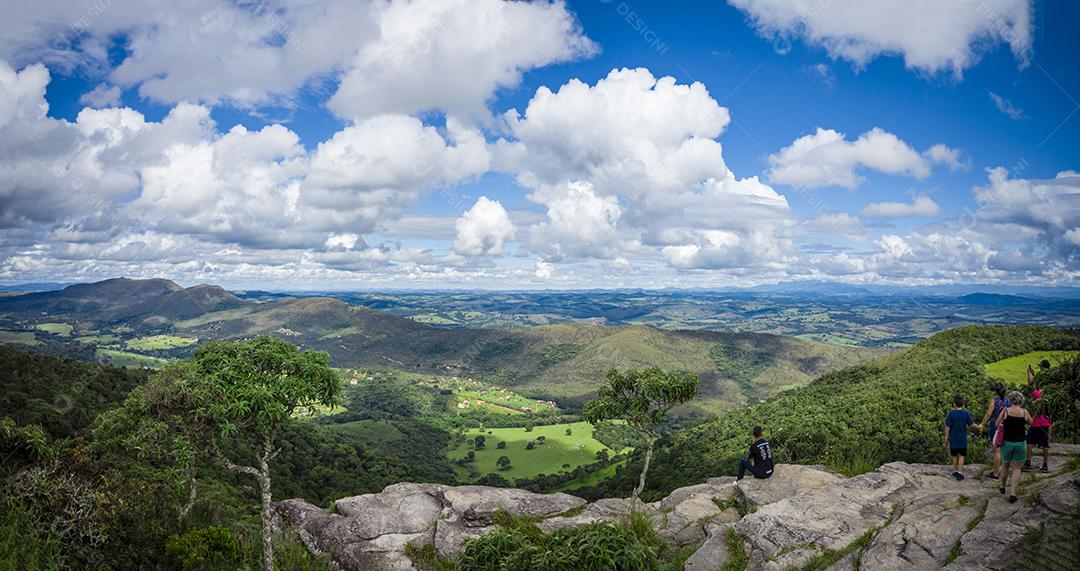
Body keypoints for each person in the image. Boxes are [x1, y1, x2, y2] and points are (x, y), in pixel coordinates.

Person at [998, 391, 1032, 504]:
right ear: (1021, 401)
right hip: (1021, 443)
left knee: (1005, 465)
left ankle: (1002, 486)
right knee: (1017, 468)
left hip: (1007, 442)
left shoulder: (1005, 411)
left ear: (1010, 400)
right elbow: (1032, 423)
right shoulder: (1024, 412)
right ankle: (1013, 493)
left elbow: (997, 424)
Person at [944, 394, 981, 480]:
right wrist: (979, 427)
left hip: (953, 438)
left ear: (954, 404)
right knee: (961, 455)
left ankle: (954, 471)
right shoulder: (966, 413)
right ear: (963, 404)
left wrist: (946, 436)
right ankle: (960, 472)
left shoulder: (951, 414)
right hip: (962, 438)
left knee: (954, 455)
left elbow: (947, 426)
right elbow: (971, 424)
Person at [980, 383, 1010, 479]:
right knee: (1004, 448)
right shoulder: (1008, 400)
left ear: (995, 392)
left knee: (997, 450)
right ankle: (1003, 469)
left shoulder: (994, 401)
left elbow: (989, 414)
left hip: (996, 426)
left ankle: (996, 473)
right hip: (1006, 425)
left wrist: (982, 424)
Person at [1023, 398, 1052, 473]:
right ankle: (1045, 465)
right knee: (1045, 445)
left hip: (1035, 424)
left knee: (1029, 442)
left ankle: (1028, 463)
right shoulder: (1046, 401)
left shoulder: (1034, 402)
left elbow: (1033, 413)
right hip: (1045, 423)